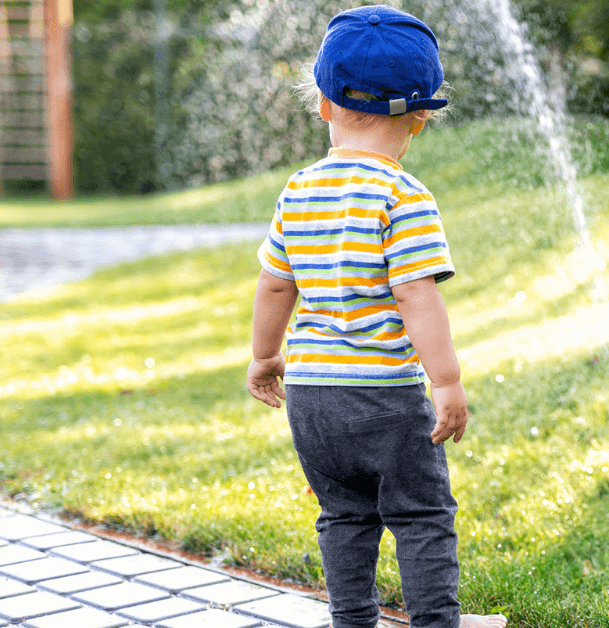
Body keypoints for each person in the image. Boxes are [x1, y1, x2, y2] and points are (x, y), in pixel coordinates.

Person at [246, 5, 507, 628]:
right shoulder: (403, 194)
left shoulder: (299, 189)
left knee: (343, 514)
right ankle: (437, 622)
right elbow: (418, 295)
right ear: (420, 118)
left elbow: (275, 285)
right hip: (384, 395)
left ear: (324, 104)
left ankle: (354, 619)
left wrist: (264, 356)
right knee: (420, 515)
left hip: (312, 396)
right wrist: (445, 382)